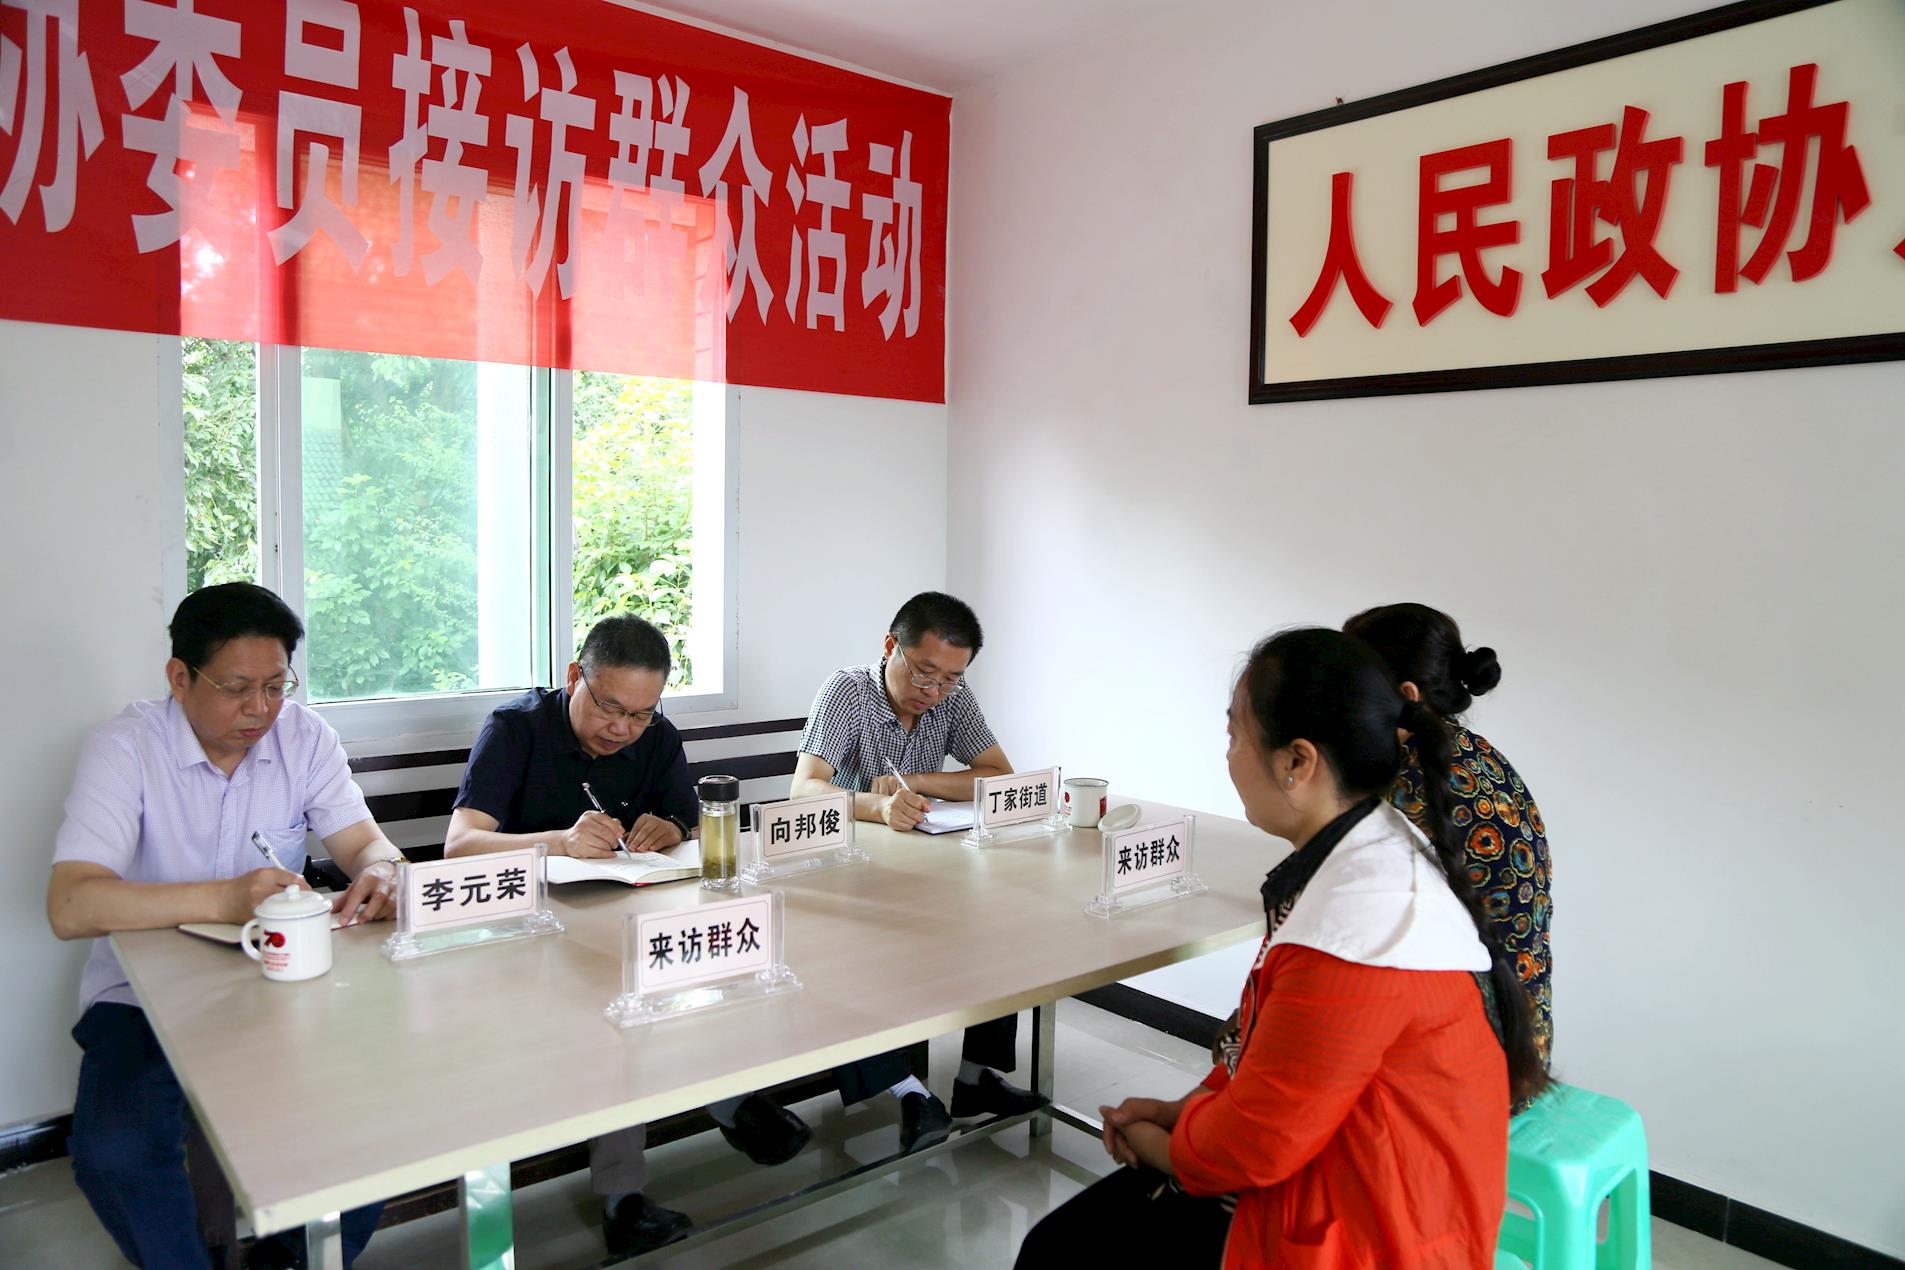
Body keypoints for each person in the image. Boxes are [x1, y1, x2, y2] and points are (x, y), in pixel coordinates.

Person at [1016, 628, 1548, 1268]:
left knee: (1059, 1252)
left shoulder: (1359, 931)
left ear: (1298, 762)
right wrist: (1185, 1110)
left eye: (1234, 734)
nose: (1228, 755)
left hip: (1370, 1232)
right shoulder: (1368, 852)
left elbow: (1253, 1147)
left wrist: (1157, 1143)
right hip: (1346, 1173)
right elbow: (1274, 1068)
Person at [47, 583, 403, 1270]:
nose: (260, 709)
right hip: (141, 999)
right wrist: (225, 898)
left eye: (276, 686)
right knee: (115, 1153)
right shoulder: (126, 748)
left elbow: (365, 844)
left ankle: (291, 1260)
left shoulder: (304, 738)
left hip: (281, 982)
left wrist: (384, 872)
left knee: (381, 1116)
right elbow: (71, 905)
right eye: (237, 688)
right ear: (179, 678)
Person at [445, 614, 810, 1256]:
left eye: (641, 714)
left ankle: (730, 1098)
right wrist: (559, 842)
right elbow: (460, 846)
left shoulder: (656, 734)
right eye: (610, 707)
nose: (623, 729)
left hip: (627, 917)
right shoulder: (515, 729)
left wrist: (673, 827)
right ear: (573, 678)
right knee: (620, 1011)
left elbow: (686, 820)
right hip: (533, 933)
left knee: (712, 955)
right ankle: (633, 1190)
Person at [790, 591, 1045, 1145]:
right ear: (891, 647)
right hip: (844, 873)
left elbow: (998, 775)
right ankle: (908, 1092)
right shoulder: (847, 692)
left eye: (950, 679)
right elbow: (804, 789)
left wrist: (917, 782)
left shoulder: (952, 696)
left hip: (920, 868)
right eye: (924, 672)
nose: (934, 690)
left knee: (998, 925)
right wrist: (876, 805)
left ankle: (975, 1079)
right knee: (848, 955)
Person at [1345, 602, 1554, 1062]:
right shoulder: (1471, 753)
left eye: (1350, 688)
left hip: (1469, 1056)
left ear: (1407, 695)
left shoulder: (1411, 786)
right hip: (1523, 1042)